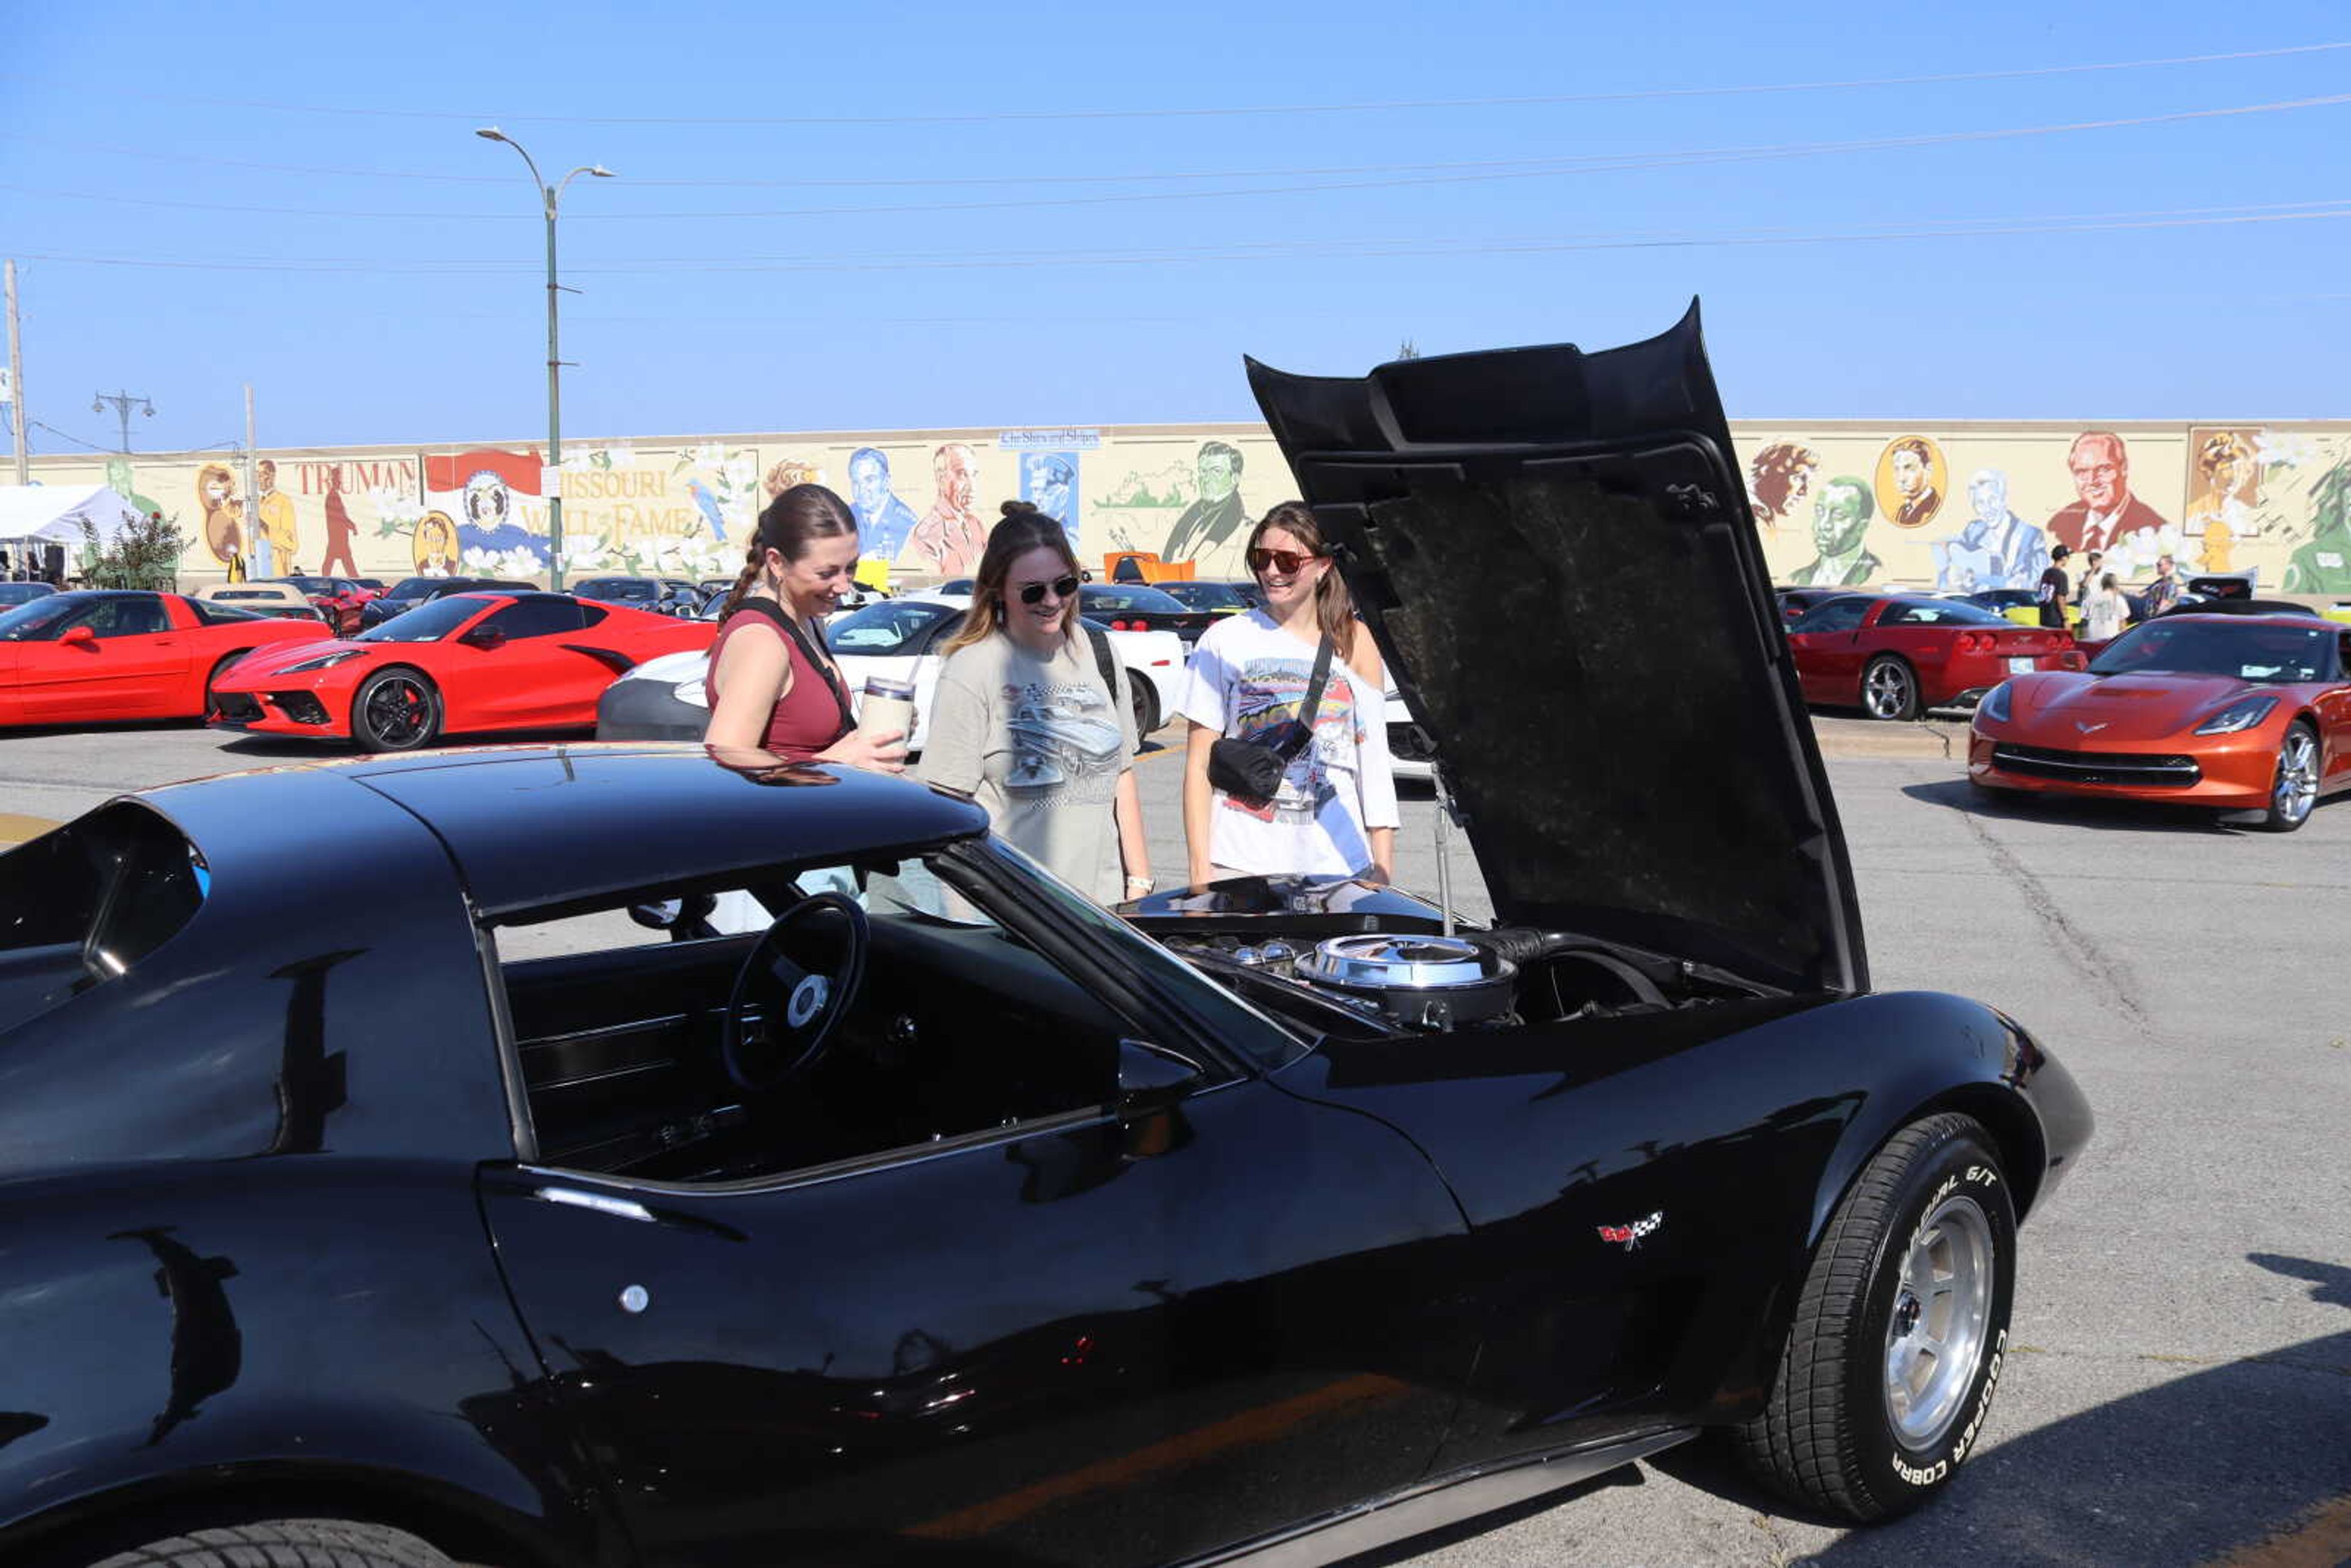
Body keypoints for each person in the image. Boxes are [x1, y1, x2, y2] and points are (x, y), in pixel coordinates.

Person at [920, 502, 1150, 904]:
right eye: (1032, 591)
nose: (1051, 600)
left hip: (1101, 909)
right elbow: (945, 812)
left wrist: (1139, 885)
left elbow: (1122, 775)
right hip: (1011, 916)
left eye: (1064, 584)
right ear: (999, 591)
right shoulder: (972, 668)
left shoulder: (1097, 650)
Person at [1179, 501, 1398, 886]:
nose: (1272, 572)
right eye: (1262, 558)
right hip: (1239, 860)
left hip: (1338, 864)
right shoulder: (1224, 640)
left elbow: (1374, 762)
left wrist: (1382, 869)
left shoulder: (1354, 640)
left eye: (1288, 561)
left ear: (1323, 566)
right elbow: (1199, 766)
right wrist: (1201, 872)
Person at [704, 483, 906, 770]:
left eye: (851, 567)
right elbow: (725, 756)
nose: (844, 586)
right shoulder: (762, 642)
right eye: (827, 573)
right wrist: (831, 761)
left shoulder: (809, 620)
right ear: (776, 562)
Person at [2081, 572, 2128, 643]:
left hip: (2093, 640)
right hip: (2111, 642)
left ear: (2102, 584)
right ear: (2115, 585)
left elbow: (2084, 622)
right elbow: (2122, 624)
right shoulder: (2120, 600)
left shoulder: (2090, 598)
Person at [2036, 543, 2072, 630]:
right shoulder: (2061, 575)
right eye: (2068, 557)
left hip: (2044, 619)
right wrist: (2066, 619)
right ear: (2063, 558)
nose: (2068, 559)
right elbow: (2061, 598)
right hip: (2056, 620)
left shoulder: (2046, 572)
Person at [2141, 553, 2183, 618]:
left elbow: (2166, 603)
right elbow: (2141, 594)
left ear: (2169, 566)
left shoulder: (2170, 584)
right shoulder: (2159, 582)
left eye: (2159, 565)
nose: (2157, 567)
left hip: (2159, 618)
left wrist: (2155, 619)